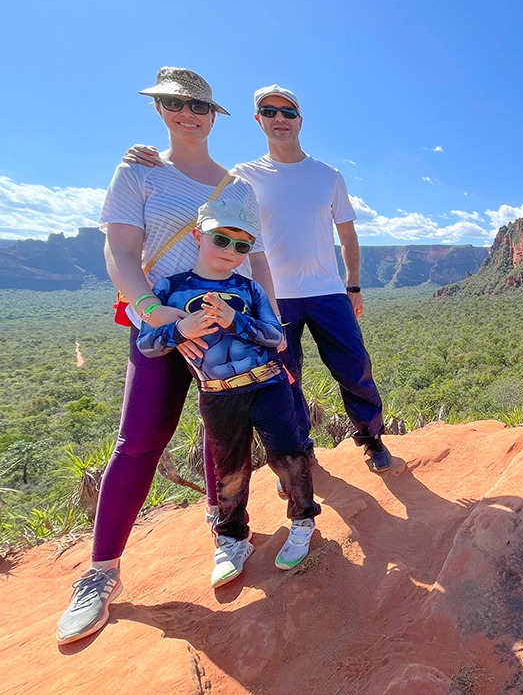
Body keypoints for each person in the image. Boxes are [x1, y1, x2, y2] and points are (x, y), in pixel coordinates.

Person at [56, 67, 277, 644]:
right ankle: (101, 573)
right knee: (139, 440)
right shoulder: (138, 169)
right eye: (175, 103)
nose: (188, 113)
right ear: (160, 109)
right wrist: (162, 317)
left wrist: (269, 326)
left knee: (223, 431)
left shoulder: (237, 185)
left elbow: (256, 261)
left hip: (229, 326)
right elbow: (122, 252)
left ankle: (228, 533)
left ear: (213, 115)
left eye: (198, 106)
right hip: (162, 321)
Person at [125, 84, 393, 481]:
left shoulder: (328, 175)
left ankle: (371, 437)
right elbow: (194, 186)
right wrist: (144, 159)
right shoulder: (241, 177)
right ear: (258, 120)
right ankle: (301, 454)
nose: (279, 119)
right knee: (286, 378)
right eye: (269, 112)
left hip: (327, 290)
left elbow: (348, 235)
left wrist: (353, 286)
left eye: (287, 112)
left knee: (355, 368)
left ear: (300, 119)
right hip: (270, 297)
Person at [137, 199, 321, 587]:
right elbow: (148, 344)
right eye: (221, 239)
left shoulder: (249, 289)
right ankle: (233, 538)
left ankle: (302, 521)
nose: (230, 252)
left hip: (268, 384)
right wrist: (179, 331)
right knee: (229, 470)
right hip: (218, 393)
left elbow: (277, 337)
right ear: (197, 237)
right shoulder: (170, 289)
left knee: (287, 456)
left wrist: (234, 320)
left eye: (241, 246)